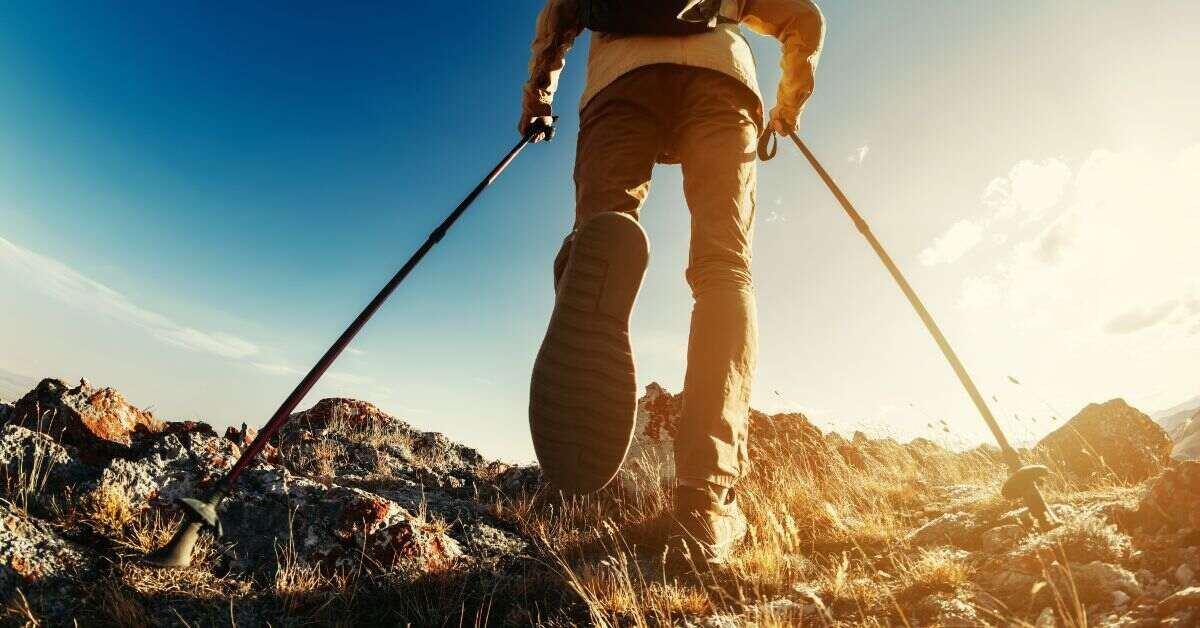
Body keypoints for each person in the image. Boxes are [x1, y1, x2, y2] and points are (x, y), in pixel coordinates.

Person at [523, 0, 825, 563]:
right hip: (720, 80)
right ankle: (705, 506)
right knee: (723, 271)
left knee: (599, 235)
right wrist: (788, 106)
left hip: (619, 86)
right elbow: (802, 18)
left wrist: (538, 100)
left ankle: (587, 281)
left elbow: (557, 19)